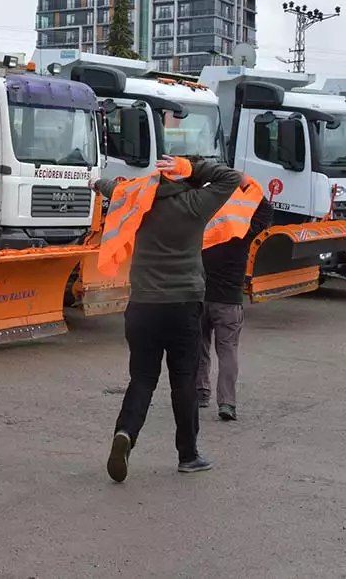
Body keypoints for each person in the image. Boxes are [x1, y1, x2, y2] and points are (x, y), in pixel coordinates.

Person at [92, 156, 240, 483]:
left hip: (143, 305)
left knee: (142, 379)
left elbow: (113, 188)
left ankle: (125, 433)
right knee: (184, 382)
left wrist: (96, 184)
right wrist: (192, 166)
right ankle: (188, 455)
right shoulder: (196, 203)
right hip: (183, 305)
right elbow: (230, 178)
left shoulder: (138, 198)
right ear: (186, 177)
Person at [198, 192, 273, 422]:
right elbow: (266, 211)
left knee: (199, 347)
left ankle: (200, 393)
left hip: (200, 300)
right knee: (228, 351)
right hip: (229, 303)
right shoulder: (242, 236)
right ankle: (227, 403)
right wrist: (243, 185)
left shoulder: (204, 235)